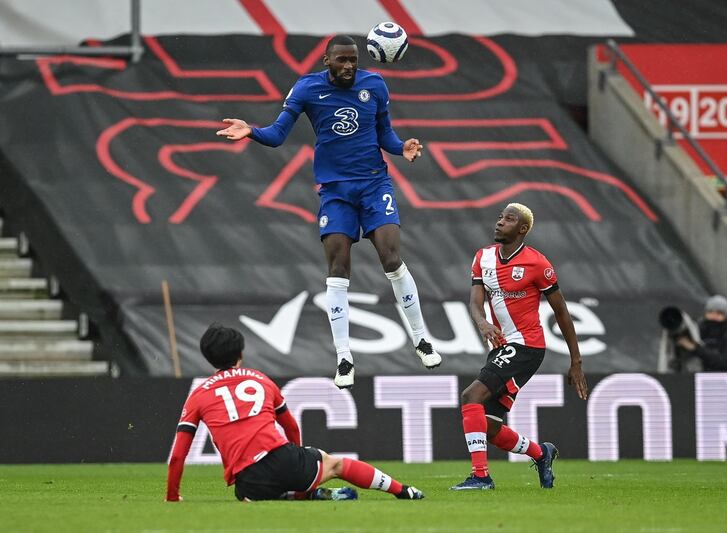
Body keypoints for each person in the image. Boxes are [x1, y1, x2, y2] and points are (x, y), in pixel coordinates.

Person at [216, 35, 441, 389]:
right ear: (327, 61)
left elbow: (385, 133)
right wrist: (251, 132)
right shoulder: (307, 89)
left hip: (373, 184)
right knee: (338, 269)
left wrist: (402, 149)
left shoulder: (375, 84)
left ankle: (421, 338)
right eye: (342, 60)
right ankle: (344, 357)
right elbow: (277, 135)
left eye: (353, 59)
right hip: (335, 191)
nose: (349, 66)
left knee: (391, 257)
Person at [166, 323, 424, 502]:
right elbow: (291, 428)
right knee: (335, 464)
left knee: (251, 495)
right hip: (285, 461)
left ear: (207, 357)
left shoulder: (198, 394)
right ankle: (403, 491)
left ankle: (293, 494)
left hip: (248, 483)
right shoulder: (261, 380)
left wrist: (172, 496)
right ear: (240, 354)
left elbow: (178, 455)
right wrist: (295, 460)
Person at [451, 203, 589, 491]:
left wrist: (575, 360)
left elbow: (562, 312)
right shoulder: (483, 258)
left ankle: (481, 476)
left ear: (523, 229)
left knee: (471, 396)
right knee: (487, 426)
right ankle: (542, 453)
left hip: (527, 346)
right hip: (502, 347)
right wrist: (483, 324)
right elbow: (475, 302)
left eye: (509, 219)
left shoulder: (538, 264)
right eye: (500, 217)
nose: (500, 222)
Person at [670, 295, 727, 372]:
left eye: (719, 313)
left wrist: (695, 349)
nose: (714, 316)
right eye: (710, 312)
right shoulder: (698, 329)